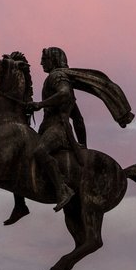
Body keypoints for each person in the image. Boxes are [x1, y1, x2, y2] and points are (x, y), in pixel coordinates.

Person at [28, 47, 87, 211]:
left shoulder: (57, 76)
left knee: (40, 152)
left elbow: (64, 93)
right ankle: (20, 205)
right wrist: (82, 144)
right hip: (48, 128)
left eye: (44, 59)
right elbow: (79, 120)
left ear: (53, 60)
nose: (41, 63)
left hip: (58, 129)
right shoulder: (56, 79)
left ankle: (63, 190)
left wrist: (40, 104)